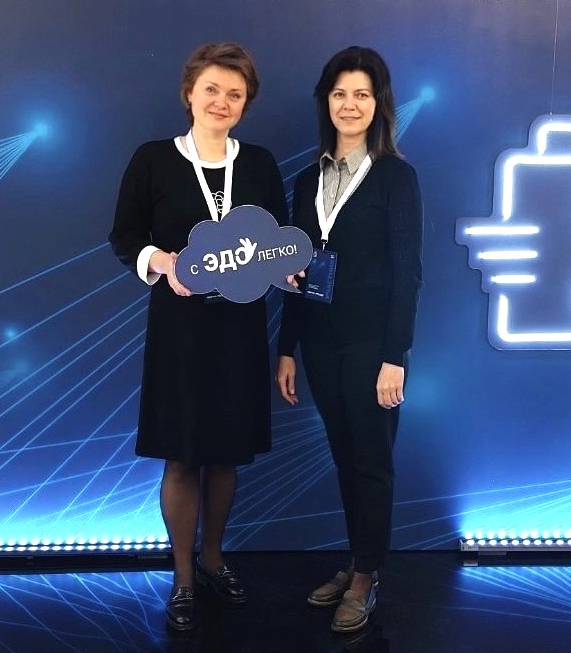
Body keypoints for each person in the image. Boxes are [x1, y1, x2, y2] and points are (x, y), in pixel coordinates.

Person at [109, 42, 288, 632]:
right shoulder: (154, 159)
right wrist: (163, 262)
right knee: (183, 454)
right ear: (189, 93)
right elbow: (124, 236)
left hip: (239, 331)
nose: (221, 101)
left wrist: (286, 267)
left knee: (227, 453)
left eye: (235, 94)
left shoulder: (258, 163)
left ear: (245, 104)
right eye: (211, 89)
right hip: (180, 331)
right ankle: (183, 577)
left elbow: (278, 240)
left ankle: (214, 560)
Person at [276, 46, 423, 633]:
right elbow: (294, 268)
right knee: (344, 457)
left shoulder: (395, 177)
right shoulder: (306, 179)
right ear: (327, 102)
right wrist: (286, 347)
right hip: (318, 342)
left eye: (362, 94)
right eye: (340, 94)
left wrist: (394, 357)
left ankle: (367, 575)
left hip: (371, 346)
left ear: (378, 103)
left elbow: (408, 273)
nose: (350, 104)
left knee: (372, 463)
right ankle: (358, 559)